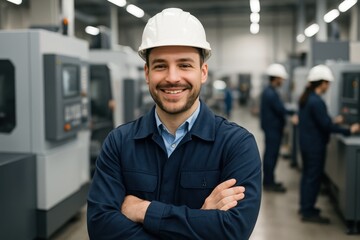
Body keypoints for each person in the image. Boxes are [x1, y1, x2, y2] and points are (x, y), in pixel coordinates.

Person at [87, 8, 262, 239]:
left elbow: (233, 231)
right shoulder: (119, 143)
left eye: (184, 65)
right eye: (160, 66)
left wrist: (143, 210)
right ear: (147, 73)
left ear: (203, 72)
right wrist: (201, 220)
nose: (172, 77)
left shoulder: (236, 145)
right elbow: (101, 227)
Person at [298, 64, 359, 224]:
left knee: (307, 177)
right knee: (313, 178)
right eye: (328, 83)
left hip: (306, 144)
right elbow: (325, 126)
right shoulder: (316, 102)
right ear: (323, 83)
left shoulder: (307, 99)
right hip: (314, 147)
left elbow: (318, 122)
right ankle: (308, 212)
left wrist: (332, 120)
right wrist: (349, 130)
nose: (329, 86)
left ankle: (305, 206)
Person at [260, 63, 297, 193]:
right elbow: (280, 109)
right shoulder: (271, 93)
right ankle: (269, 183)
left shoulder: (270, 91)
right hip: (272, 129)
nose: (283, 81)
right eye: (281, 78)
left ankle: (269, 180)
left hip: (272, 128)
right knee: (271, 155)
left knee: (271, 155)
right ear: (276, 78)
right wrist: (293, 113)